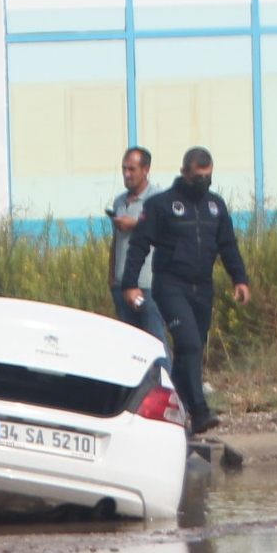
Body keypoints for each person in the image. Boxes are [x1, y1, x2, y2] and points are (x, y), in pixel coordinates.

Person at [122, 147, 252, 436]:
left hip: (202, 287)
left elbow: (228, 245)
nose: (203, 183)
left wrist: (239, 279)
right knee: (189, 344)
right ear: (184, 174)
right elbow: (139, 245)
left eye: (208, 177)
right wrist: (130, 284)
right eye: (197, 177)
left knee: (190, 351)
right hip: (171, 285)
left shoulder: (215, 206)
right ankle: (200, 411)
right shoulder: (162, 204)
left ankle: (175, 410)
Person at [108, 146, 168, 344]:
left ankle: (161, 375)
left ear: (146, 169)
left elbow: (166, 234)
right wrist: (112, 278)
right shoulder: (120, 201)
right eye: (124, 169)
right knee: (129, 344)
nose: (126, 174)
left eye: (132, 169)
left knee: (153, 341)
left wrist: (135, 224)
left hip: (147, 286)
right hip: (122, 286)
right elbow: (116, 241)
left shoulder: (159, 199)